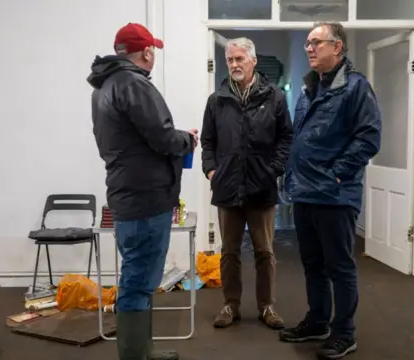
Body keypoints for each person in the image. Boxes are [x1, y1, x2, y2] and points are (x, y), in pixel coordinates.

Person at [88, 22, 198, 360]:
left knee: (137, 277)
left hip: (128, 195)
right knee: (138, 281)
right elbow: (162, 138)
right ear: (146, 52)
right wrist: (187, 139)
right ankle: (136, 354)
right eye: (153, 51)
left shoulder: (104, 87)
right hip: (146, 200)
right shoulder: (133, 84)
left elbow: (138, 136)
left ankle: (143, 350)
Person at [279, 22, 381, 359]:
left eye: (316, 42)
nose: (309, 48)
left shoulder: (355, 88)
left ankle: (344, 332)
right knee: (313, 265)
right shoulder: (309, 89)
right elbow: (301, 139)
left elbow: (368, 138)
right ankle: (318, 321)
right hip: (306, 192)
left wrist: (337, 175)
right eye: (307, 43)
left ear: (337, 47)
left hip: (335, 195)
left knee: (340, 266)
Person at [200, 37, 293, 330]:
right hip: (227, 188)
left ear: (253, 61)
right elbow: (207, 141)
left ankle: (267, 306)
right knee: (228, 252)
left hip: (262, 187)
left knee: (265, 251)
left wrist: (274, 169)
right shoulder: (217, 100)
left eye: (240, 59)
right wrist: (211, 171)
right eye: (230, 60)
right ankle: (231, 305)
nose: (234, 65)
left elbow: (286, 137)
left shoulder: (274, 97)